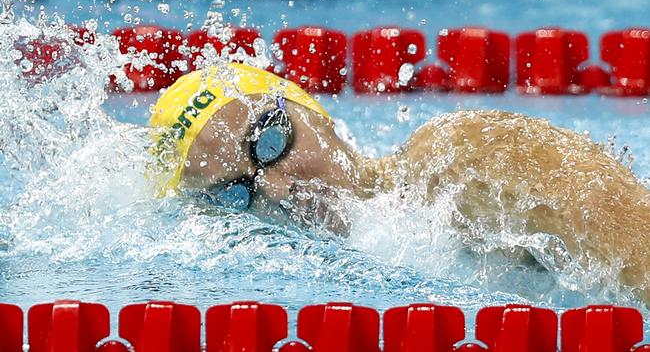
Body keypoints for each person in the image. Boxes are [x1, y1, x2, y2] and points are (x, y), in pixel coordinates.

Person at [149, 62, 650, 304]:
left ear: (307, 108)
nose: (278, 191)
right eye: (238, 192)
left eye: (270, 144)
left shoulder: (457, 159)